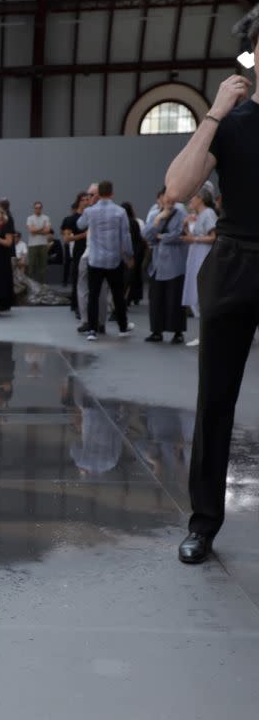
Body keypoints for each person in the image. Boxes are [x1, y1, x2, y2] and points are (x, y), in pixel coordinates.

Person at [164, 38, 259, 563]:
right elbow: (177, 187)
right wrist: (215, 111)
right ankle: (203, 523)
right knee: (215, 400)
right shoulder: (234, 123)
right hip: (234, 262)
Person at [75, 180, 134, 340]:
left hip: (95, 259)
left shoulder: (91, 211)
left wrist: (88, 208)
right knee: (117, 294)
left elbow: (80, 225)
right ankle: (122, 327)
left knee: (93, 295)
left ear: (98, 194)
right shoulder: (120, 212)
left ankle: (92, 330)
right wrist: (129, 255)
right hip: (114, 259)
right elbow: (125, 236)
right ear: (112, 193)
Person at [142, 194, 188, 343]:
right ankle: (156, 331)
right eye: (164, 198)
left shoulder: (181, 213)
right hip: (157, 263)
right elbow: (147, 235)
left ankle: (177, 332)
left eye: (170, 199)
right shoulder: (156, 213)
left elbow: (178, 235)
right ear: (159, 200)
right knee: (156, 299)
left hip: (175, 262)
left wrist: (161, 237)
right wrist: (158, 219)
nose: (167, 201)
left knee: (174, 298)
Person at [180, 185, 218, 339]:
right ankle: (204, 335)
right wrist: (186, 228)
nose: (190, 201)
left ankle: (206, 336)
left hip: (203, 256)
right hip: (197, 255)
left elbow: (214, 237)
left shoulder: (208, 214)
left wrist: (193, 238)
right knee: (198, 293)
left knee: (202, 292)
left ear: (200, 199)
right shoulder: (201, 214)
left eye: (193, 198)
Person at [25, 200, 53, 285]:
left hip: (43, 244)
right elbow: (31, 230)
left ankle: (43, 285)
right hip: (32, 245)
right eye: (36, 208)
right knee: (31, 266)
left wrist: (36, 230)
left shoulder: (46, 218)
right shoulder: (30, 218)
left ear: (42, 208)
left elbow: (47, 230)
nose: (38, 209)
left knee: (43, 266)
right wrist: (42, 229)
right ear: (34, 209)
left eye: (39, 208)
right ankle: (31, 285)